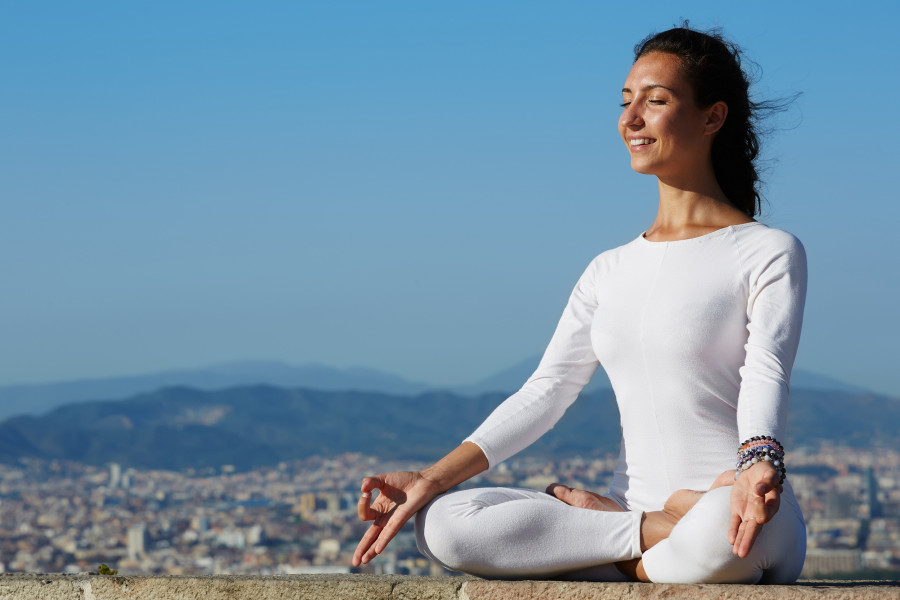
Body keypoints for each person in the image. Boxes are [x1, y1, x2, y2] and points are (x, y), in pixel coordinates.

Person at [352, 25, 807, 584]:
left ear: (713, 117)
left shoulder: (766, 250)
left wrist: (757, 463)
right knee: (446, 524)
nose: (630, 118)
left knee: (722, 531)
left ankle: (640, 543)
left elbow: (768, 369)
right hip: (626, 519)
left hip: (740, 504)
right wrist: (433, 477)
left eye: (656, 101)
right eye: (625, 101)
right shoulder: (608, 269)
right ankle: (646, 532)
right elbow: (547, 390)